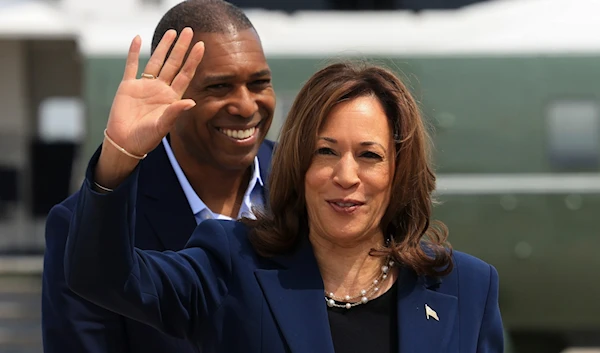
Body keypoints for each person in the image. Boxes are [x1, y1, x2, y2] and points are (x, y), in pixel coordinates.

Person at [64, 28, 504, 353]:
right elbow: (102, 278)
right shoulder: (231, 264)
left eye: (369, 155)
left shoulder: (466, 286)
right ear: (299, 164)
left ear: (399, 171)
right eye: (326, 152)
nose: (346, 176)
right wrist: (119, 157)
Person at [41, 1, 276, 352]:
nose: (245, 106)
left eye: (259, 83)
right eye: (219, 87)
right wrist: (118, 155)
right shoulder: (83, 229)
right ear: (170, 94)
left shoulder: (312, 187)